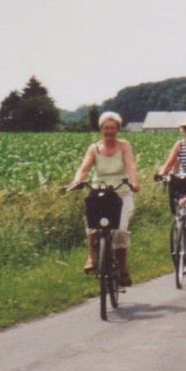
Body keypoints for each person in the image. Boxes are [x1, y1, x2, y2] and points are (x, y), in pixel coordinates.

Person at [68, 111, 140, 286]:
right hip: (99, 191)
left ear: (118, 129)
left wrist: (134, 182)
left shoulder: (124, 146)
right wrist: (77, 180)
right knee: (92, 225)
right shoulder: (94, 148)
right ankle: (92, 258)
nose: (109, 131)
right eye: (106, 128)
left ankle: (123, 267)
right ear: (101, 129)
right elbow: (84, 168)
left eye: (113, 128)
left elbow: (130, 166)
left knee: (120, 231)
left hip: (120, 192)